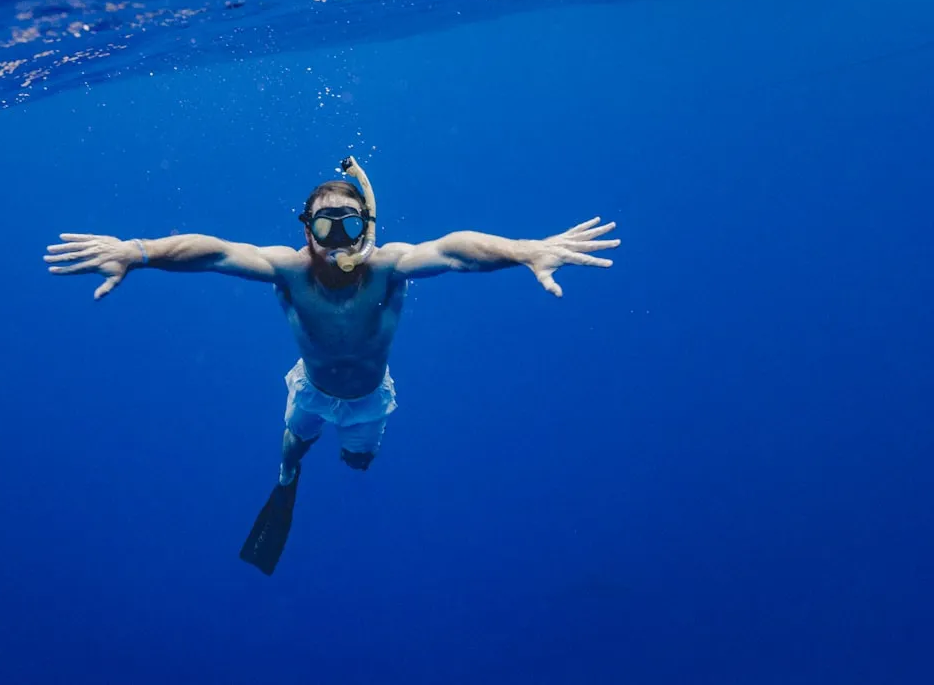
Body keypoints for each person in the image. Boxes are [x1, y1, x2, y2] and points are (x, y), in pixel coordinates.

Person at [43, 157, 620, 575]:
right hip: (311, 387)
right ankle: (289, 479)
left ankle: (345, 453)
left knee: (359, 459)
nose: (336, 238)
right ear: (306, 230)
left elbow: (456, 249)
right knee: (293, 447)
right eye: (324, 225)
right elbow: (214, 250)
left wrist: (524, 251)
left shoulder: (391, 265)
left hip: (370, 396)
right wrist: (137, 252)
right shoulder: (289, 270)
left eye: (348, 224)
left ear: (366, 227)